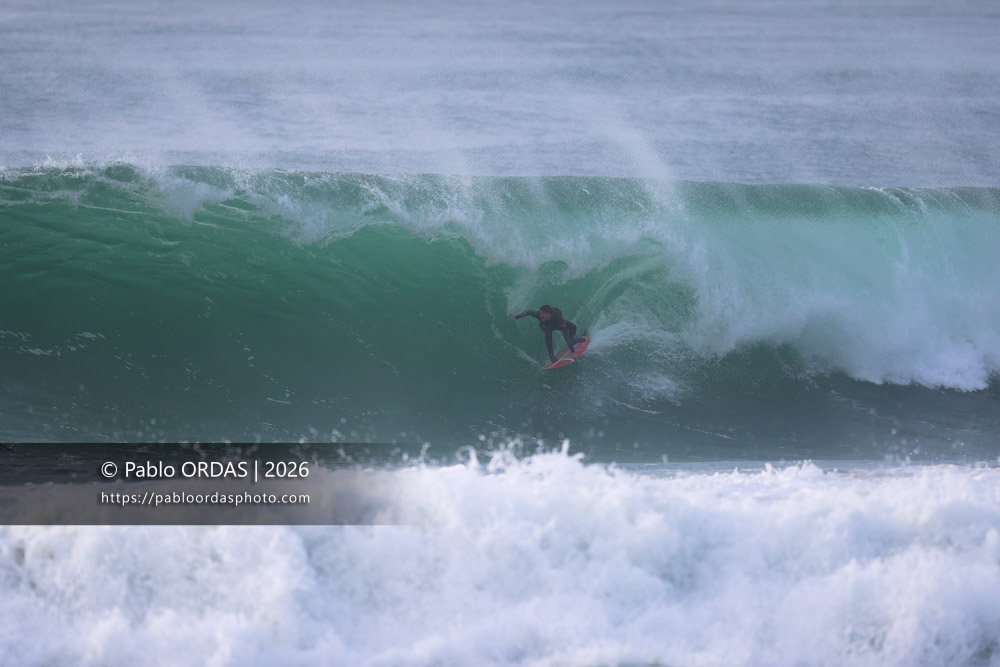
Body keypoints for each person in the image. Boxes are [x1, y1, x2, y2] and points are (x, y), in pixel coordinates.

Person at [509, 305, 586, 364]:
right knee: (548, 334)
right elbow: (529, 312)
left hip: (556, 323)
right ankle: (551, 356)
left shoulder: (558, 316)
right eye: (540, 313)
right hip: (544, 325)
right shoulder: (540, 315)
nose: (540, 315)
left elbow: (565, 334)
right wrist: (516, 317)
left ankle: (573, 340)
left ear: (549, 314)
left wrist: (573, 352)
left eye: (543, 314)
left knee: (572, 327)